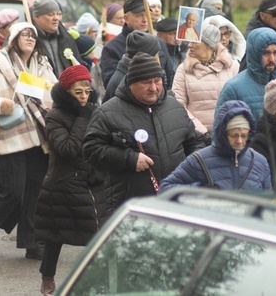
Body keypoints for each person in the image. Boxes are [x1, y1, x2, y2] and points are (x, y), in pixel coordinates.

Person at [83, 53, 205, 219]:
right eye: (146, 82)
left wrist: (193, 169)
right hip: (130, 206)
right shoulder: (107, 113)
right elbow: (91, 150)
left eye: (157, 81)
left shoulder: (175, 107)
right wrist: (128, 159)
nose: (154, 88)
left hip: (175, 203)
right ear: (131, 84)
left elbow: (195, 141)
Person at [0, 22, 57, 259]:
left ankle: (31, 241)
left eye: (33, 35)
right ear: (14, 38)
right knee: (13, 192)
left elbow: (54, 94)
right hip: (7, 138)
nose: (30, 38)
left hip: (38, 137)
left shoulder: (42, 64)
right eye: (25, 34)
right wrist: (1, 105)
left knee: (35, 194)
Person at [34, 65, 106, 296]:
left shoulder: (94, 111)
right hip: (63, 183)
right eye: (78, 93)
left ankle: (93, 279)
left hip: (91, 181)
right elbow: (67, 148)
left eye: (87, 92)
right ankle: (48, 278)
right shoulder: (55, 116)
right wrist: (83, 118)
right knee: (56, 235)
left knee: (97, 234)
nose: (84, 97)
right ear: (67, 92)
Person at [160, 100, 271, 191]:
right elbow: (165, 188)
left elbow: (268, 202)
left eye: (244, 135)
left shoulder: (259, 161)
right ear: (222, 133)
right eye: (233, 135)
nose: (240, 141)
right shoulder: (198, 160)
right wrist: (200, 191)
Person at [216, 28, 276, 122]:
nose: (272, 59)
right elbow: (220, 130)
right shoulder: (233, 88)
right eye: (266, 53)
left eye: (275, 52)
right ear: (255, 54)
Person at [172, 23, 238, 134]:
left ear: (209, 45)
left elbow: (240, 101)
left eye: (194, 41)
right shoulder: (183, 70)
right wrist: (201, 132)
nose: (189, 45)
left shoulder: (232, 66)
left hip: (229, 134)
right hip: (197, 137)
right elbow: (178, 105)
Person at [100, 0, 174, 89]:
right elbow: (111, 85)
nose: (145, 20)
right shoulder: (111, 48)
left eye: (147, 15)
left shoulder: (159, 43)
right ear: (126, 18)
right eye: (139, 15)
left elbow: (170, 77)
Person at [30, 0, 82, 77]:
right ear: (36, 17)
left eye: (58, 14)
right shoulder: (29, 40)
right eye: (50, 15)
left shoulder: (67, 38)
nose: (56, 18)